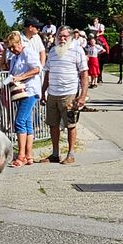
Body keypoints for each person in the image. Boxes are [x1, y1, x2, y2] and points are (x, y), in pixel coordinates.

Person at [39, 26, 88, 164]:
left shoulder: (77, 50)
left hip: (69, 94)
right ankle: (55, 154)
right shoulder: (53, 51)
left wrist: (83, 95)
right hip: (53, 93)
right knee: (53, 124)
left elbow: (84, 74)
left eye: (65, 36)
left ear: (71, 37)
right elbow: (47, 74)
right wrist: (43, 92)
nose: (62, 38)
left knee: (70, 124)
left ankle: (71, 154)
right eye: (60, 36)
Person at [5, 30, 41, 168]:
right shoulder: (15, 57)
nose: (13, 50)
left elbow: (37, 69)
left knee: (19, 121)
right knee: (26, 123)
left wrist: (20, 77)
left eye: (14, 46)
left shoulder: (27, 52)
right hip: (20, 92)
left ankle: (21, 155)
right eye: (10, 48)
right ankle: (28, 155)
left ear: (20, 43)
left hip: (29, 91)